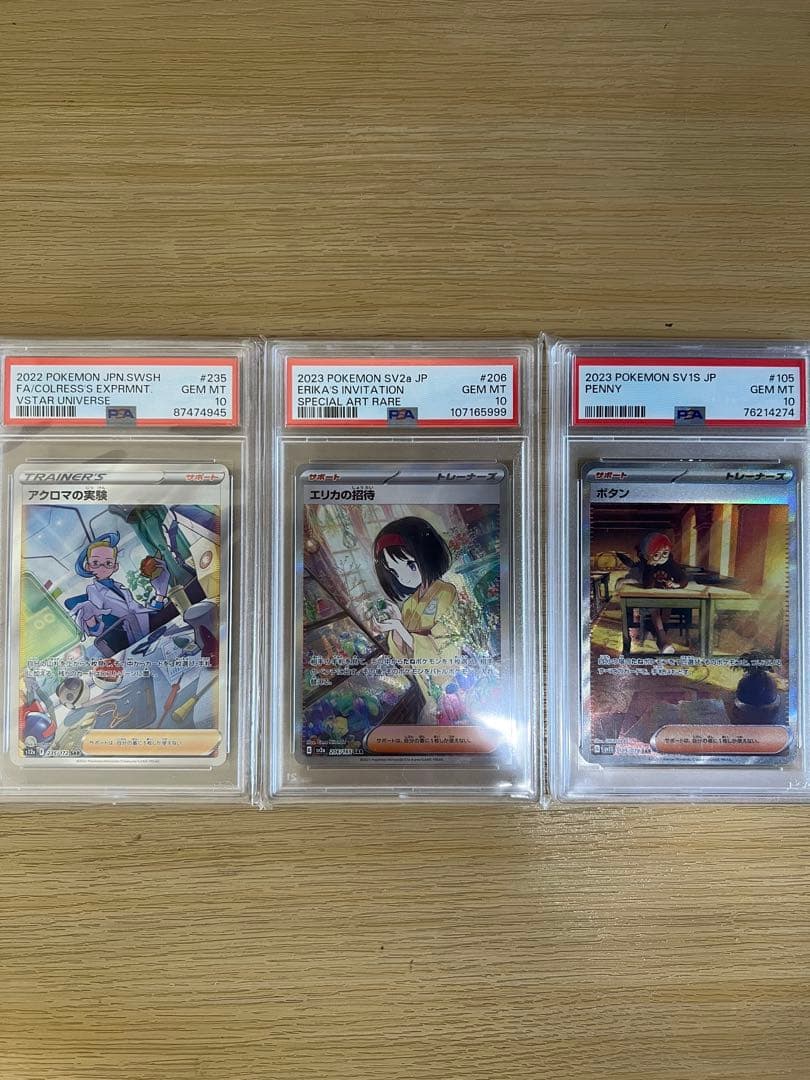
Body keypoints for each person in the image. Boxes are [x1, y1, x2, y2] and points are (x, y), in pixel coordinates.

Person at [371, 517, 459, 709]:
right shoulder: (410, 604)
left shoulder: (446, 594)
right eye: (394, 571)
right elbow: (404, 661)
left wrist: (401, 629)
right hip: (428, 687)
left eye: (410, 565)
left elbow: (447, 657)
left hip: (452, 687)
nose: (403, 577)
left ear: (427, 555)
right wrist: (397, 624)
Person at [69, 531, 169, 647]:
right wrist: (90, 620)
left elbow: (140, 611)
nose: (102, 567)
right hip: (129, 641)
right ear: (88, 567)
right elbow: (100, 631)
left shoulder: (120, 588)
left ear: (115, 567)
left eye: (108, 563)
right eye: (95, 563)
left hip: (149, 631)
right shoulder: (94, 591)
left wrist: (160, 593)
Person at [630, 532, 688, 654]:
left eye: (665, 553)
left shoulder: (671, 564)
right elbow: (647, 585)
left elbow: (683, 579)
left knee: (666, 606)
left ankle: (661, 638)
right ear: (648, 555)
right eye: (656, 554)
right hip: (651, 600)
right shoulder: (647, 565)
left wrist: (676, 584)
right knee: (654, 606)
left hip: (667, 598)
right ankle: (662, 639)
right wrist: (650, 566)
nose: (662, 557)